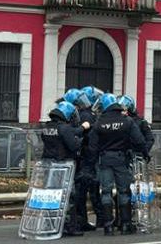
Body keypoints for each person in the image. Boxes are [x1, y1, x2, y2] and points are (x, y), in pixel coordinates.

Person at [87, 93, 147, 235]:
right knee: (124, 191)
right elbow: (139, 141)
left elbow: (92, 146)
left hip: (105, 160)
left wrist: (91, 164)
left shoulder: (99, 122)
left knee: (106, 192)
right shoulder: (127, 121)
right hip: (122, 159)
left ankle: (108, 226)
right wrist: (141, 152)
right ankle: (125, 225)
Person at [39, 101, 87, 236]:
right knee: (68, 196)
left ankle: (50, 224)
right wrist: (81, 140)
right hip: (63, 165)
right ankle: (69, 227)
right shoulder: (64, 128)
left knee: (52, 196)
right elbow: (74, 145)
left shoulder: (47, 127)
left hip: (48, 165)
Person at [62, 87, 106, 233]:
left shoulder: (78, 115)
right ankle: (98, 219)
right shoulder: (87, 114)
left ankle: (84, 220)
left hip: (84, 156)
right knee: (90, 189)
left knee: (84, 191)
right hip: (89, 157)